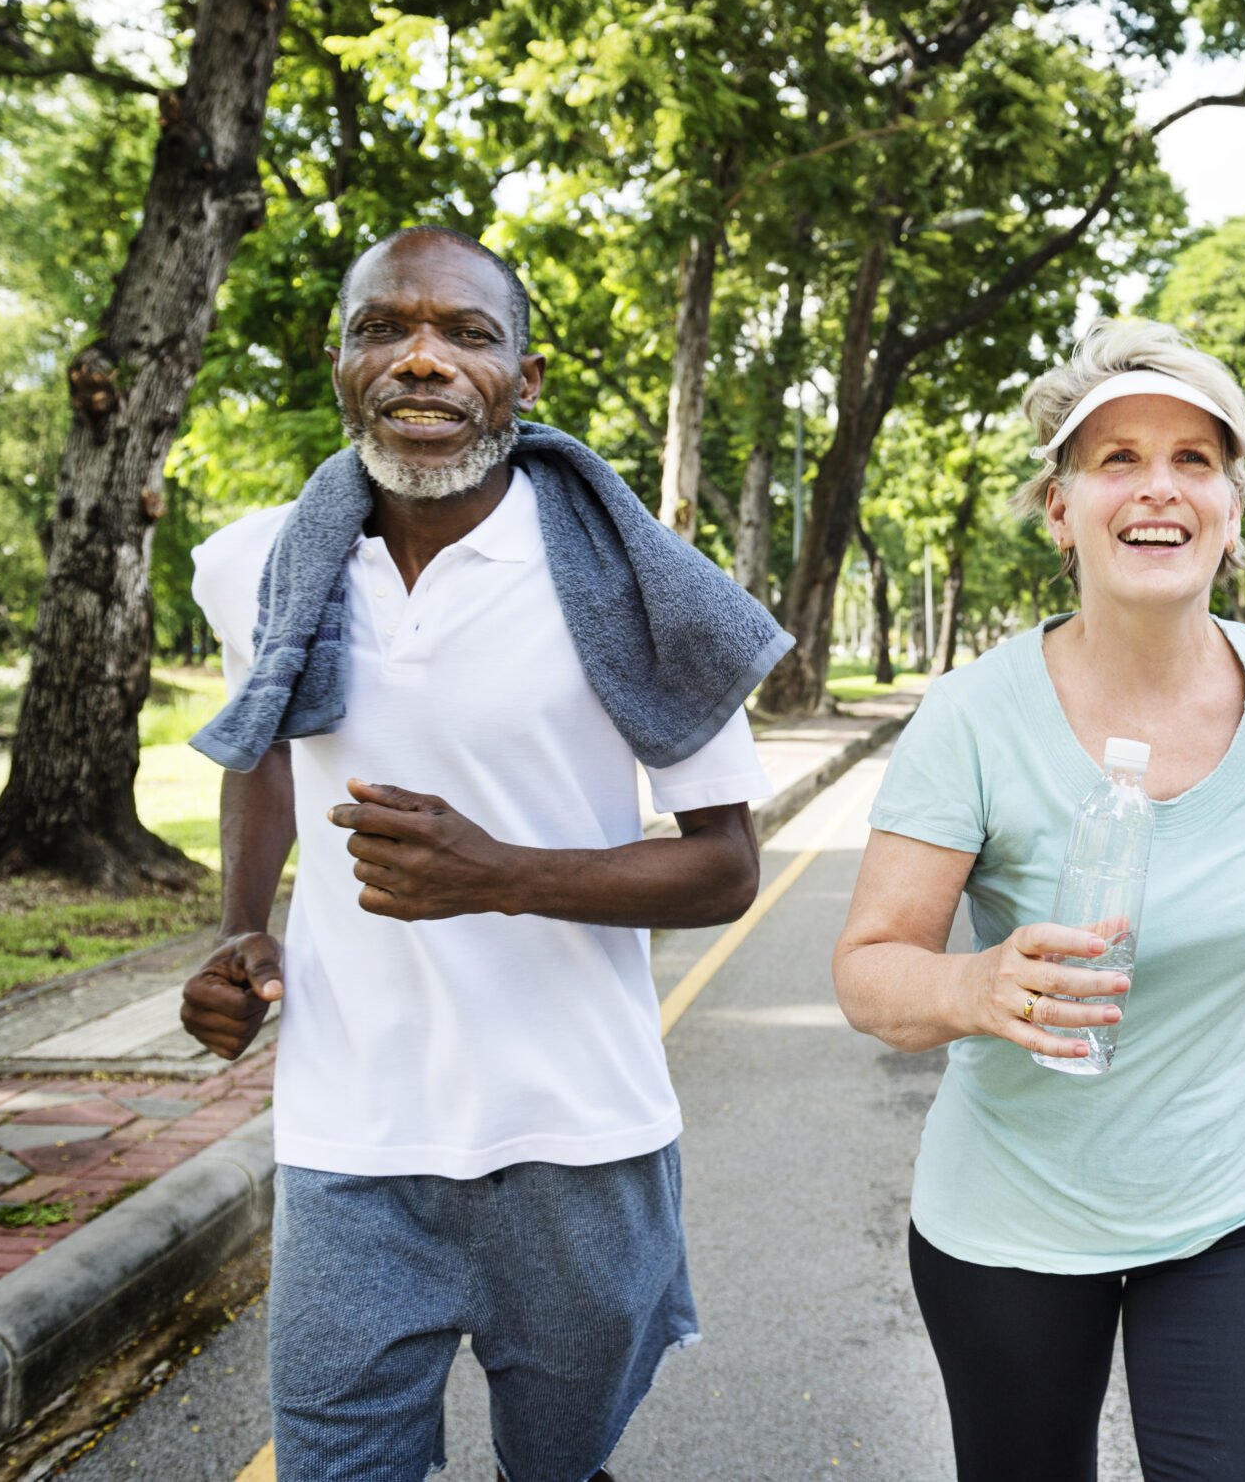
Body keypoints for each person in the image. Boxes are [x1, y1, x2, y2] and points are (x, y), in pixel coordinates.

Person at [176, 226, 791, 1482]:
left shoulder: (636, 583)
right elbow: (263, 751)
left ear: (525, 375)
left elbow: (727, 866)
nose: (422, 359)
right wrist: (245, 928)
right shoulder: (255, 564)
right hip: (351, 1135)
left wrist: (499, 875)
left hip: (577, 1137)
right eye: (383, 328)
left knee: (559, 1471)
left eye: (465, 333)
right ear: (338, 359)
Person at [831, 318, 1245, 1482]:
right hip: (1015, 1212)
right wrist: (976, 982)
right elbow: (870, 967)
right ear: (1060, 506)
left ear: (1232, 506)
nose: (1160, 488)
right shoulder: (974, 717)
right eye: (1118, 458)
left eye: (1195, 459)